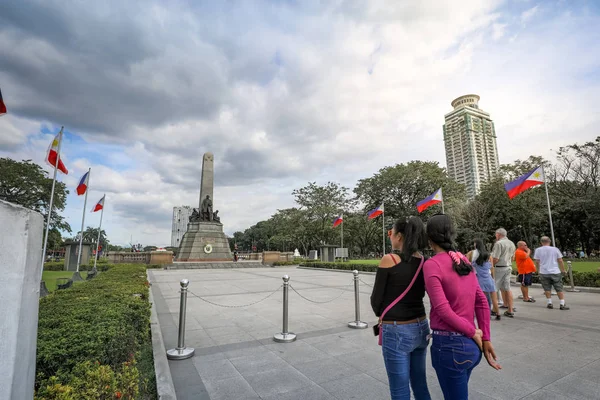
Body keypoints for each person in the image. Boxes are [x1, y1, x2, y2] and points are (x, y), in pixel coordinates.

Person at [424, 214, 501, 400]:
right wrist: (485, 337)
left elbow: (443, 310)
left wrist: (474, 332)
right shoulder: (463, 261)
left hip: (450, 348)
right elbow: (481, 301)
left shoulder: (432, 265)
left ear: (429, 238)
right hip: (472, 349)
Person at [370, 216, 431, 400]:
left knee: (399, 389)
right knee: (420, 383)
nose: (390, 237)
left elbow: (376, 300)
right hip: (421, 326)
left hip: (397, 329)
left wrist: (383, 314)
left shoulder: (389, 259)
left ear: (399, 236)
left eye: (391, 233)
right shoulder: (424, 261)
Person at [467, 239, 501, 320]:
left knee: (483, 299)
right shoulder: (489, 256)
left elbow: (469, 265)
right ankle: (498, 313)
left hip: (480, 280)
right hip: (489, 279)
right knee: (494, 298)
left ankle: (485, 313)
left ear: (476, 245)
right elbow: (492, 267)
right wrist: (493, 277)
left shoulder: (473, 257)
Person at [534, 236, 570, 310]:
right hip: (555, 271)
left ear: (541, 242)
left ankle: (549, 302)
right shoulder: (555, 249)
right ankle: (562, 303)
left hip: (543, 272)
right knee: (559, 288)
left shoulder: (538, 250)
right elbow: (560, 260)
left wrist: (538, 270)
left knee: (547, 288)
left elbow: (537, 261)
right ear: (549, 241)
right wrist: (563, 270)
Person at [491, 228, 516, 318]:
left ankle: (494, 309)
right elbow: (513, 258)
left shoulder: (498, 244)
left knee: (494, 288)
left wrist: (490, 267)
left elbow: (496, 258)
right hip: (508, 267)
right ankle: (510, 310)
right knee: (507, 288)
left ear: (498, 234)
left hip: (499, 268)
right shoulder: (511, 243)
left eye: (496, 234)